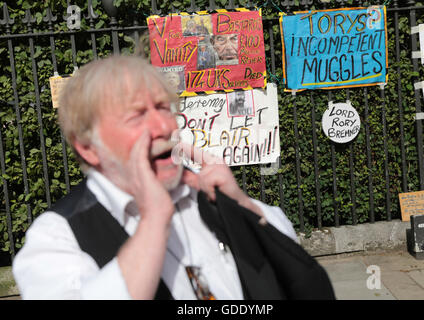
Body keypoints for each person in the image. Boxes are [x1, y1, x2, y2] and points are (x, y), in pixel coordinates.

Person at [12, 55, 301, 300]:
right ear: (88, 148)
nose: (163, 126)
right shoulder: (57, 237)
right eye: (136, 115)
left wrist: (240, 207)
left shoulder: (205, 194)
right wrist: (154, 220)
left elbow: (299, 273)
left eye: (164, 107)